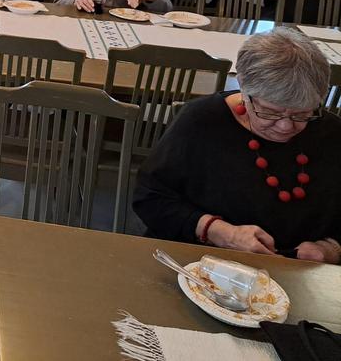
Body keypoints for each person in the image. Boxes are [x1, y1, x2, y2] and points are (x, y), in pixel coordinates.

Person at [133, 29, 341, 263]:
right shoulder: (202, 121)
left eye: (301, 114)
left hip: (300, 274)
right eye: (270, 111)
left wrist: (332, 249)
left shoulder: (332, 133)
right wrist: (219, 232)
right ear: (243, 87)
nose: (285, 126)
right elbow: (150, 197)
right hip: (200, 265)